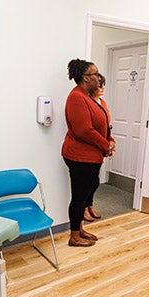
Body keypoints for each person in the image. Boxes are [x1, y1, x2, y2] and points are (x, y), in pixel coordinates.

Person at [62, 59, 115, 247]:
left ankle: (80, 230)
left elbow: (102, 124)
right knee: (78, 197)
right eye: (96, 73)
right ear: (86, 77)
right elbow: (84, 130)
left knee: (85, 195)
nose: (99, 77)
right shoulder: (77, 97)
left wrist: (109, 142)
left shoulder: (87, 95)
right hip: (79, 156)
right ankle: (74, 236)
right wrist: (105, 145)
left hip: (91, 156)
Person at [83, 73, 112, 222]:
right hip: (91, 147)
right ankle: (84, 208)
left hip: (102, 147)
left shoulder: (103, 103)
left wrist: (110, 142)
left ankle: (90, 205)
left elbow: (107, 125)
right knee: (89, 182)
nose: (102, 88)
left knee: (95, 180)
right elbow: (88, 130)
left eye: (103, 84)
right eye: (99, 85)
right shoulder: (87, 102)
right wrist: (105, 144)